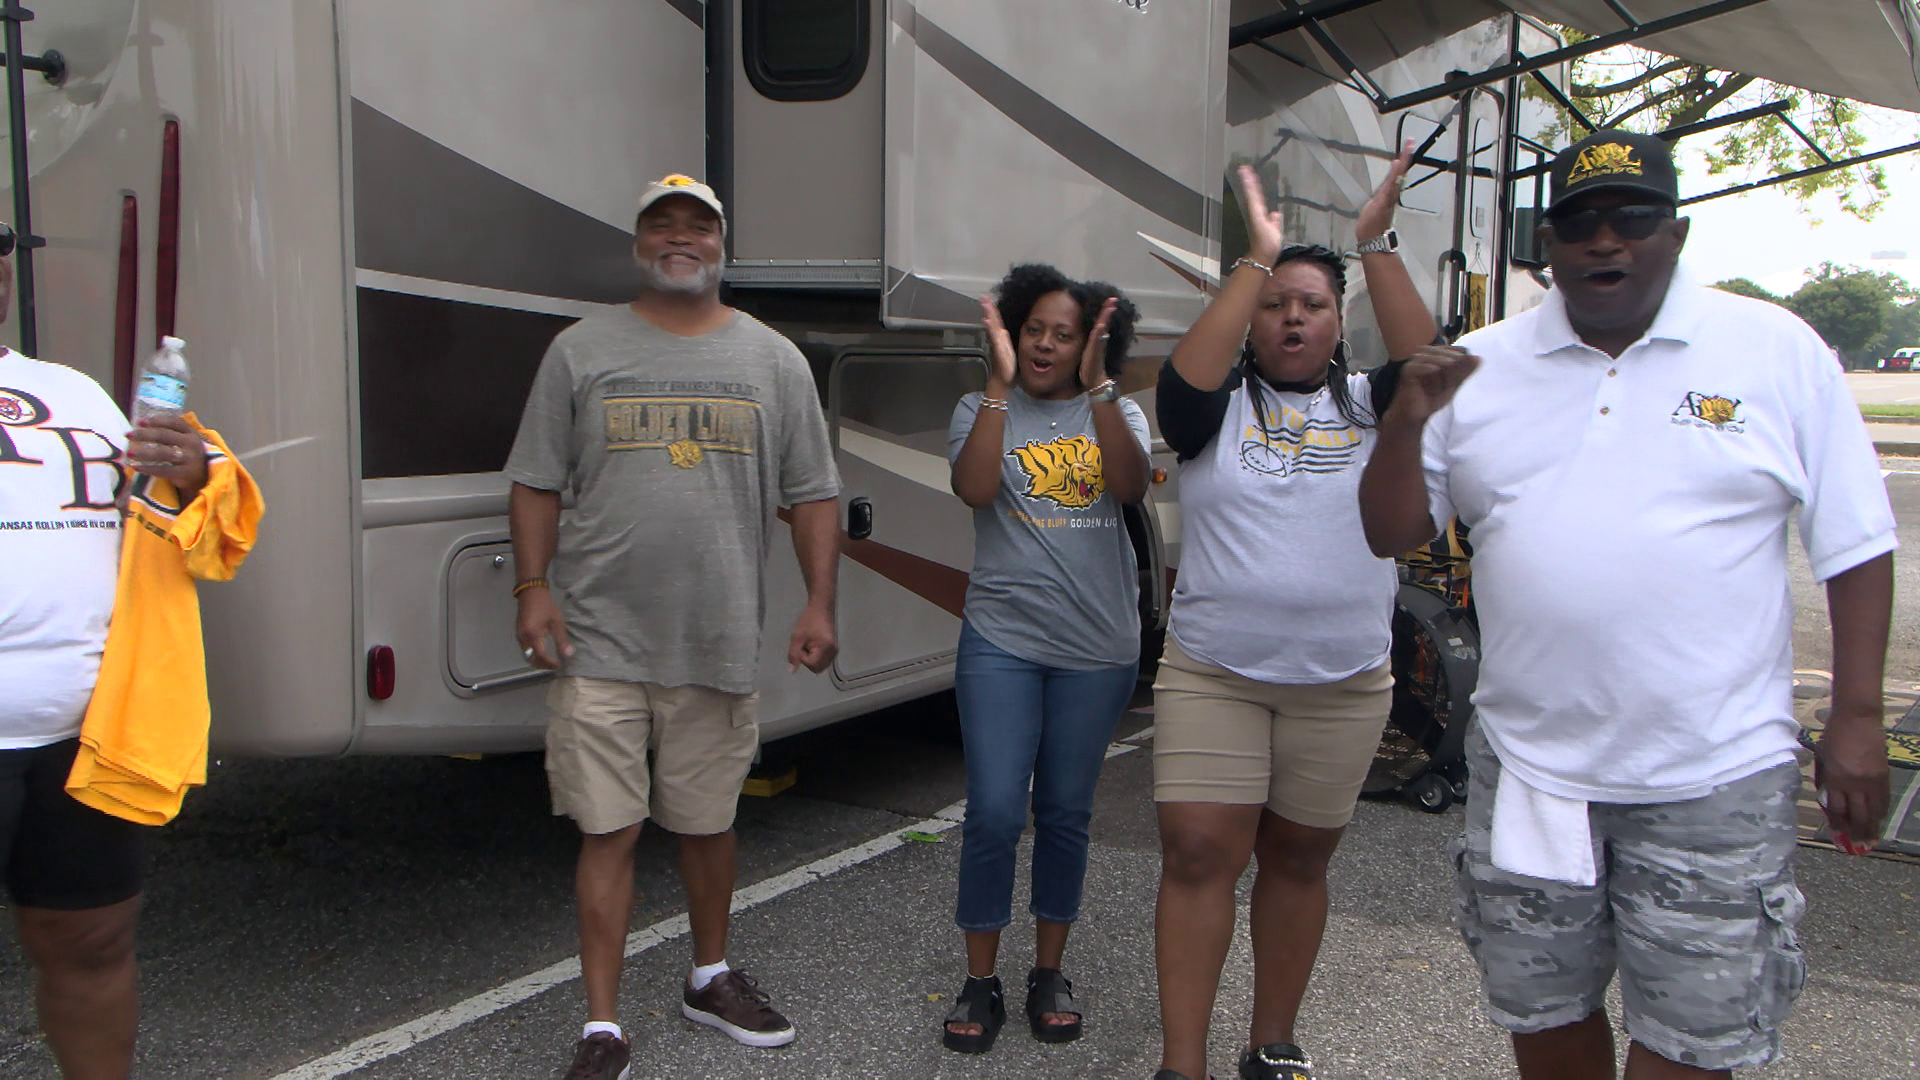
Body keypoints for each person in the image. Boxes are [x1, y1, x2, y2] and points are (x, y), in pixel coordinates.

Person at [1358, 129, 1896, 1080]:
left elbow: (1854, 543)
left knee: (1693, 1044)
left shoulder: (1774, 349)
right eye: (1580, 223)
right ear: (1549, 244)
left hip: (1713, 771)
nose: (1606, 241)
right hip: (1531, 768)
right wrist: (1404, 427)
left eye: (1633, 219)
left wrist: (1856, 717)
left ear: (1676, 233)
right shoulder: (1483, 365)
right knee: (1544, 1013)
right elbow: (1392, 533)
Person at [505, 175, 843, 1080]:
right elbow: (535, 479)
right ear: (638, 245)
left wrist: (819, 602)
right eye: (664, 226)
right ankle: (604, 1026)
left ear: (722, 248)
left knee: (707, 823)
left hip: (718, 638)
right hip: (598, 640)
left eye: (700, 227)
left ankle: (709, 975)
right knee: (607, 831)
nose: (681, 239)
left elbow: (813, 492)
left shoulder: (772, 360)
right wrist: (532, 588)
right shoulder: (581, 353)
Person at [1146, 144, 1435, 1080]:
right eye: (1276, 304)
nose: (1292, 317)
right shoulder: (1211, 412)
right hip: (1215, 671)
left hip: (1343, 682)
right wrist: (1257, 258)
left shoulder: (1371, 405)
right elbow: (1180, 386)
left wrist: (1374, 241)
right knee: (1198, 854)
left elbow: (1427, 356)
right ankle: (1181, 1065)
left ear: (1337, 320)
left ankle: (1272, 1044)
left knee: (1300, 859)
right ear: (1251, 317)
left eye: (1312, 303)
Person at [1, 250, 212, 1079]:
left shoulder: (74, 393)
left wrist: (193, 472)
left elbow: (162, 510)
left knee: (91, 941)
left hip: (88, 729)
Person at [938, 264, 1152, 1053]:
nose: (1047, 345)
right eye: (1037, 329)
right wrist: (998, 388)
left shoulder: (1117, 410)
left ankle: (1048, 971)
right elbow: (974, 487)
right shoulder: (978, 407)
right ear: (1015, 330)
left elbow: (1129, 489)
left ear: (1094, 344)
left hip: (1097, 648)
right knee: (995, 808)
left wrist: (1098, 391)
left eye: (1067, 335)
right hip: (1003, 639)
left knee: (1064, 811)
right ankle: (980, 978)